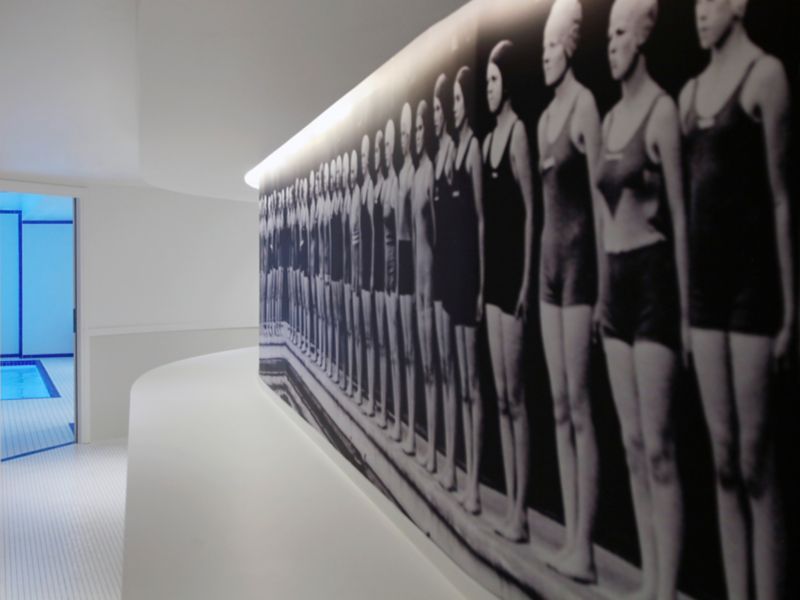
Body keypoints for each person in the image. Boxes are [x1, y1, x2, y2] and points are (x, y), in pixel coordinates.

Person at [679, 1, 793, 597]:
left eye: (712, 1)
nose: (702, 12)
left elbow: (781, 198)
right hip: (704, 297)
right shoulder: (689, 96)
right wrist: (683, 305)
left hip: (752, 292)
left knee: (755, 463)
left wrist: (790, 308)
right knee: (722, 461)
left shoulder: (765, 75)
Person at [596, 1, 689, 597]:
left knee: (659, 448)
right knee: (632, 444)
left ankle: (666, 587)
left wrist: (685, 311)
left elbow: (681, 216)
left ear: (642, 37)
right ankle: (651, 580)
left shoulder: (661, 112)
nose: (612, 45)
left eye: (620, 34)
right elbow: (602, 220)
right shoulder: (608, 120)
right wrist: (602, 293)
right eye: (608, 35)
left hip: (654, 280)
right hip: (615, 282)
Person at [537, 0, 603, 581]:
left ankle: (585, 541)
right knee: (559, 405)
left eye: (552, 46)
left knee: (580, 406)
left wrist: (604, 286)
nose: (545, 56)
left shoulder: (584, 107)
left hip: (581, 271)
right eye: (541, 48)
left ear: (571, 46)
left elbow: (601, 205)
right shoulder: (543, 121)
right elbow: (544, 213)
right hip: (549, 274)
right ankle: (571, 538)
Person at [482, 40, 535, 543]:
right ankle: (513, 506)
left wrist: (525, 282)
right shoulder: (486, 144)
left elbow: (531, 214)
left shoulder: (518, 134)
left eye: (494, 81)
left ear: (509, 82)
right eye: (486, 83)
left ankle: (521, 508)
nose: (488, 90)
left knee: (516, 398)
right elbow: (484, 223)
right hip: (493, 280)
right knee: (501, 396)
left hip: (513, 277)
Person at [449, 65, 485, 514]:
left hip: (468, 279)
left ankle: (473, 479)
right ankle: (459, 470)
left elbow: (480, 222)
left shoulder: (473, 148)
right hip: (451, 279)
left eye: (459, 101)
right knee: (458, 379)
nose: (455, 108)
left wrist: (480, 284)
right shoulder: (456, 153)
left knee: (472, 383)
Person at [431, 73, 458, 484]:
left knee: (455, 372)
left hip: (455, 275)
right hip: (437, 276)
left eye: (443, 107)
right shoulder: (440, 159)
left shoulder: (454, 155)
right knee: (438, 365)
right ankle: (443, 457)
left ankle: (453, 461)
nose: (440, 115)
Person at [412, 99, 438, 473]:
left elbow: (435, 231)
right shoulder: (420, 172)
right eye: (413, 130)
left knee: (435, 364)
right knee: (425, 362)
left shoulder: (430, 171)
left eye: (420, 129)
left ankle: (434, 448)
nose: (417, 136)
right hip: (416, 274)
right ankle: (427, 445)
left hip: (430, 275)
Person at [398, 103, 417, 455]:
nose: (401, 142)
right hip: (397, 270)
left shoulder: (416, 174)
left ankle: (414, 429)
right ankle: (403, 423)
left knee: (416, 354)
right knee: (400, 349)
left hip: (417, 271)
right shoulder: (401, 177)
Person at [383, 120, 402, 435]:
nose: (384, 152)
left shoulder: (398, 182)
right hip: (381, 274)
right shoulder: (386, 185)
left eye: (388, 145)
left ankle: (400, 421)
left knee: (400, 350)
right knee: (385, 345)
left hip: (400, 275)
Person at [371, 129, 388, 419]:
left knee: (388, 345)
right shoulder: (373, 191)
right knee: (372, 338)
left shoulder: (391, 184)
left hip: (393, 276)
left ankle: (385, 408)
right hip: (372, 274)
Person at [360, 136, 376, 410]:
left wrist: (372, 275)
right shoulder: (361, 192)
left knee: (375, 339)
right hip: (358, 272)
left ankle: (375, 400)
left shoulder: (373, 189)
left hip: (380, 274)